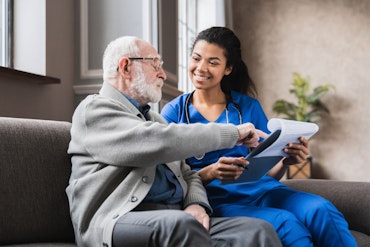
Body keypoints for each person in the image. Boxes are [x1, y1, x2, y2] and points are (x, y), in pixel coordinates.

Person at [66, 35, 282, 247]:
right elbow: (156, 142)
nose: (163, 75)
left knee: (257, 230)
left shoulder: (154, 119)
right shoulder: (94, 110)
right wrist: (233, 134)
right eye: (155, 65)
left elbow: (187, 173)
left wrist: (196, 203)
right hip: (115, 220)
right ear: (125, 67)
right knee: (182, 225)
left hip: (174, 216)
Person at [161, 27, 358, 247]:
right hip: (217, 199)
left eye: (213, 62)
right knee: (286, 224)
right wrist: (210, 172)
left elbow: (267, 172)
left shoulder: (247, 107)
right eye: (196, 58)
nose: (201, 68)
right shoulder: (173, 113)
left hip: (263, 190)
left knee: (322, 210)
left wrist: (286, 161)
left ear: (228, 68)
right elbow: (168, 178)